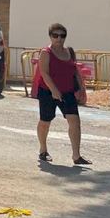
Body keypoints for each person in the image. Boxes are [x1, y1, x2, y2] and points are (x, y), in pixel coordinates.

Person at [35, 22, 91, 166]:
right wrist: (54, 90)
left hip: (67, 92)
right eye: (55, 35)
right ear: (50, 36)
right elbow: (44, 73)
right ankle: (43, 150)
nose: (59, 38)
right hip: (47, 92)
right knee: (45, 121)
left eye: (62, 35)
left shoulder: (69, 52)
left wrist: (82, 88)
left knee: (75, 121)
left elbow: (75, 71)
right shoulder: (45, 53)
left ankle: (76, 156)